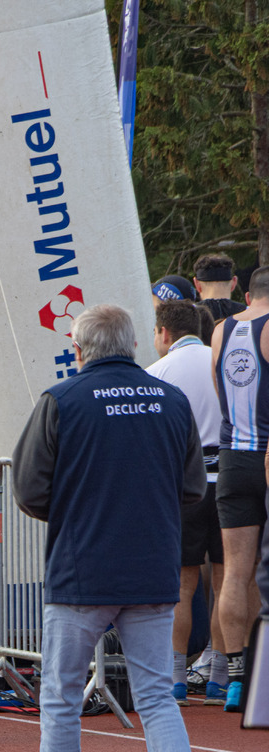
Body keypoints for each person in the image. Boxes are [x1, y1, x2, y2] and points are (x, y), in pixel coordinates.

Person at [9, 303, 212, 752]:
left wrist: (76, 511)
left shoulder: (61, 400)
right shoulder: (171, 400)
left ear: (77, 350)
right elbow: (193, 488)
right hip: (152, 568)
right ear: (135, 345)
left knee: (61, 698)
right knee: (157, 697)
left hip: (82, 571)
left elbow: (28, 488)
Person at [148, 300, 227, 705]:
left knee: (181, 583)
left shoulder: (155, 373)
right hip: (230, 481)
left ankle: (176, 678)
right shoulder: (223, 361)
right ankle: (222, 677)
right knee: (228, 581)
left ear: (164, 332)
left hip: (183, 487)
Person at [208, 266, 269, 712]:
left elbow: (220, 391)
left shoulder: (221, 329)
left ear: (247, 295)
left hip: (232, 458)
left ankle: (235, 679)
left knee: (235, 572)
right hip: (265, 454)